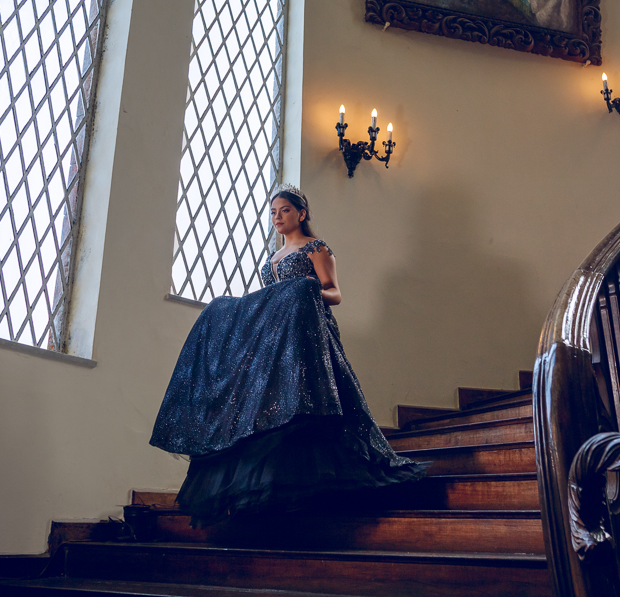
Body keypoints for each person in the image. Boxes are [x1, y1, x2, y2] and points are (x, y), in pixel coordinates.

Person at [150, 185, 426, 526]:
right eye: (273, 212)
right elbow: (269, 302)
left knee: (312, 403)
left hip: (310, 335)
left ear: (301, 213)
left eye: (284, 211)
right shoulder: (273, 258)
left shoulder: (316, 247)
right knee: (267, 399)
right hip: (277, 342)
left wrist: (303, 288)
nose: (278, 218)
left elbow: (335, 293)